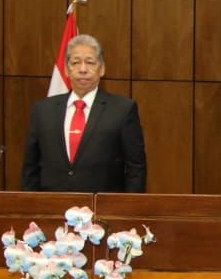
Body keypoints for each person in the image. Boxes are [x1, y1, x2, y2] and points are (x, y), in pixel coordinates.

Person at [21, 34, 147, 193]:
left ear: (101, 69)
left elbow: (136, 169)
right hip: (51, 207)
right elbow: (30, 169)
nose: (82, 69)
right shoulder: (43, 110)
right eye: (75, 62)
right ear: (66, 69)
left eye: (90, 62)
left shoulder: (123, 110)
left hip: (102, 210)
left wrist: (127, 212)